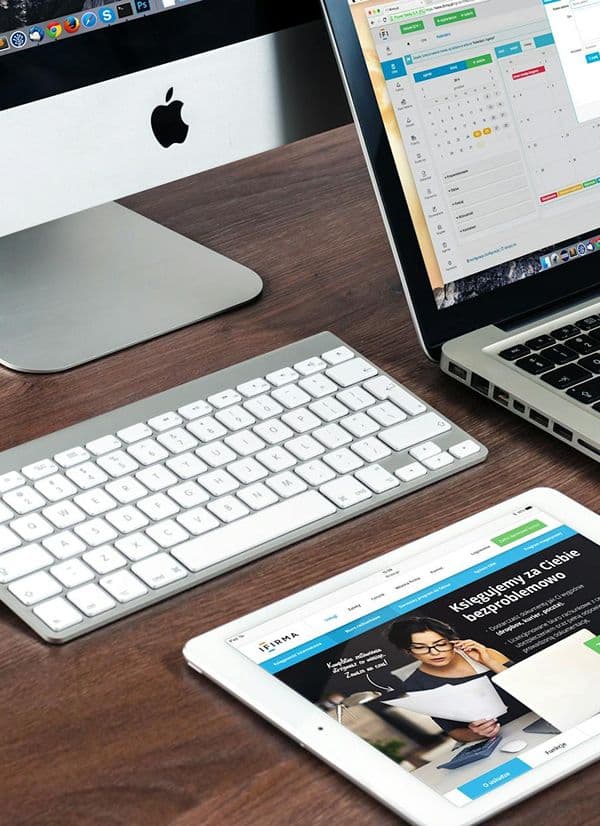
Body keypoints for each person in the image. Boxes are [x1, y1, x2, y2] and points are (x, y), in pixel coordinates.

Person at [387, 616, 514, 743]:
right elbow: (454, 732)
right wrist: (477, 733)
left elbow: (529, 684)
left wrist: (488, 662)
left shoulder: (487, 655)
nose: (435, 652)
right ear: (407, 651)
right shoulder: (416, 684)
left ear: (452, 641)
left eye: (441, 644)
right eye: (421, 647)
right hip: (500, 738)